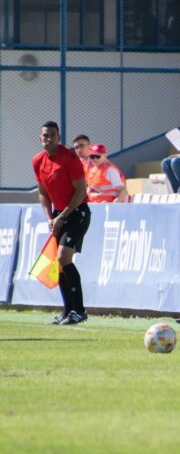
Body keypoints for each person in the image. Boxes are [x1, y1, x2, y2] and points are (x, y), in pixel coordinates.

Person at [32, 121, 90, 325]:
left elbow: (81, 191)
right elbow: (42, 193)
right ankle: (67, 311)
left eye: (52, 135)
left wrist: (62, 216)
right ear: (40, 138)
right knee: (59, 263)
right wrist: (50, 217)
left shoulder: (69, 157)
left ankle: (80, 310)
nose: (48, 139)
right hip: (57, 215)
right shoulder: (38, 161)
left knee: (64, 257)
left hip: (77, 212)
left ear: (59, 137)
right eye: (45, 135)